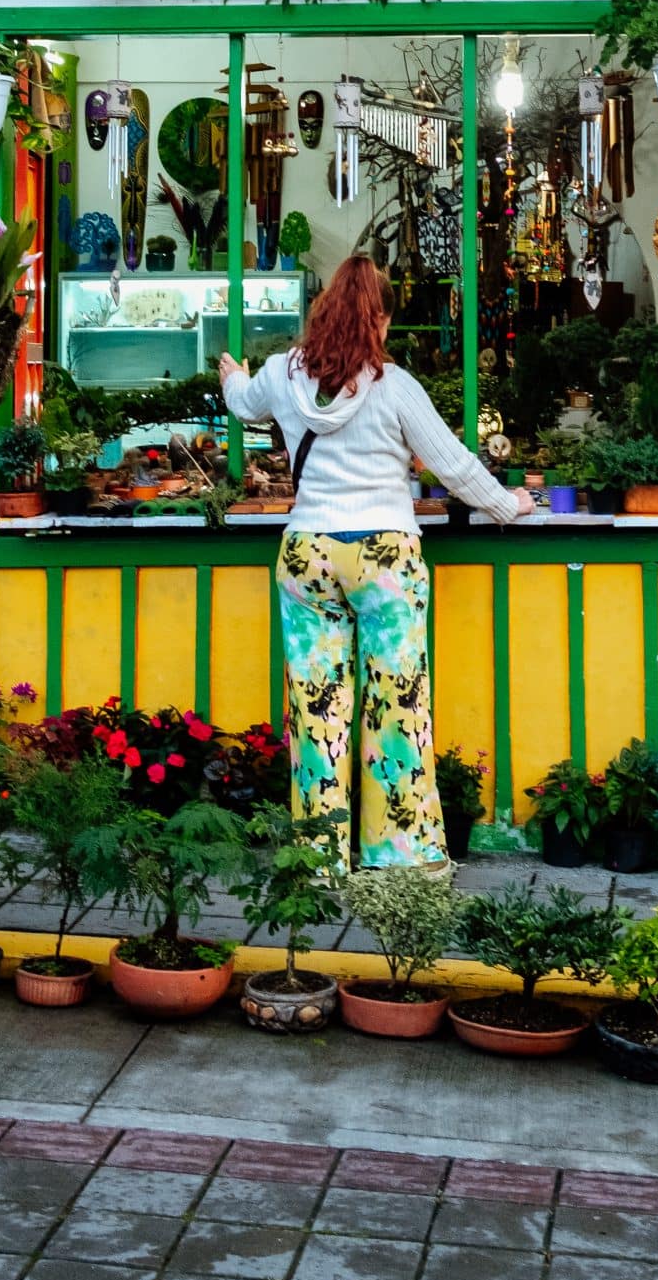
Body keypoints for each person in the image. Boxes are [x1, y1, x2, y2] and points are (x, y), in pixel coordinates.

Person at [219, 255, 530, 870]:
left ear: (327, 309)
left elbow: (244, 404)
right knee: (397, 702)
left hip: (308, 551)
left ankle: (319, 857)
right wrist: (507, 504)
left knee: (315, 708)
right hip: (384, 556)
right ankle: (399, 855)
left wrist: (232, 374)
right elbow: (455, 465)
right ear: (378, 318)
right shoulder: (395, 387)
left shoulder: (284, 374)